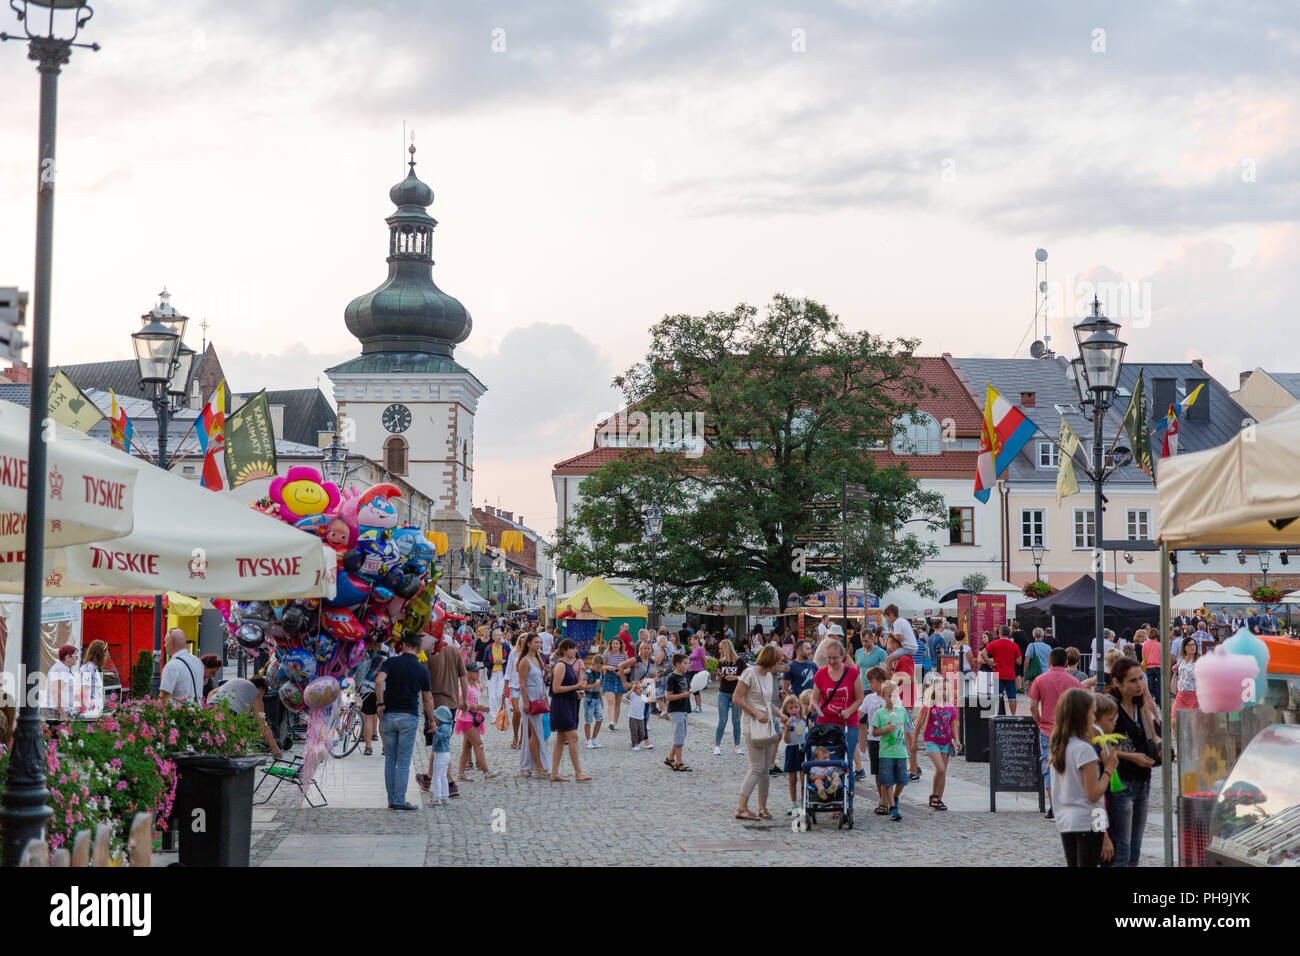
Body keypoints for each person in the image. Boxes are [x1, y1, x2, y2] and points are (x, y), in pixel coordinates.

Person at [1049, 687, 1119, 866]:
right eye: (1092, 713)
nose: (1093, 718)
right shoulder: (1083, 749)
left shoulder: (1060, 747)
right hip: (1086, 822)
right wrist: (1108, 770)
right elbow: (1094, 795)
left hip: (1066, 821)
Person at [1106, 658, 1158, 867]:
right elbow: (1099, 743)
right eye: (1133, 681)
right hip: (1121, 781)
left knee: (1135, 848)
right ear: (1117, 682)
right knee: (1123, 847)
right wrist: (1131, 756)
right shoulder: (1110, 705)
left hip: (1142, 781)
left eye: (1140, 679)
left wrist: (1161, 747)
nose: (1139, 685)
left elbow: (1152, 736)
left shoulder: (1140, 703)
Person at [375, 631, 435, 811]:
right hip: (408, 716)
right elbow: (428, 698)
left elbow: (379, 681)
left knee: (390, 759)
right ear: (417, 648)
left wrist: (380, 703)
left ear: (405, 645)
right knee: (403, 761)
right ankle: (399, 800)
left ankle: (392, 799)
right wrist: (431, 721)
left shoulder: (391, 663)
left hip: (389, 714)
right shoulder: (422, 669)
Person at [1028, 647, 1081, 820]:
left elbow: (1033, 706)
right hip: (1069, 729)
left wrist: (1040, 721)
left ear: (1050, 661)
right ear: (1066, 662)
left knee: (1048, 766)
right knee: (1068, 766)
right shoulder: (1073, 682)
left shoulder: (1040, 680)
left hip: (1047, 729)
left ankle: (1054, 806)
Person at [733, 644, 783, 819]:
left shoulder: (769, 676)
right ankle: (741, 807)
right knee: (756, 767)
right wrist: (755, 712)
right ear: (772, 660)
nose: (779, 664)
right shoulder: (749, 673)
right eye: (778, 661)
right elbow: (737, 698)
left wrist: (780, 714)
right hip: (752, 724)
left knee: (765, 770)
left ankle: (763, 807)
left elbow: (766, 701)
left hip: (766, 725)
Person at [425, 622, 469, 799]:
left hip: (434, 705)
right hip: (451, 704)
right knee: (440, 744)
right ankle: (428, 778)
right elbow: (463, 676)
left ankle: (450, 783)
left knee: (440, 745)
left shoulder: (428, 652)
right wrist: (464, 699)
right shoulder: (453, 650)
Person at [811, 638, 864, 769]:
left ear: (843, 656)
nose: (831, 661)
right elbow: (815, 697)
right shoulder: (821, 674)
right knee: (823, 757)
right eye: (828, 658)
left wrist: (849, 711)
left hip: (847, 722)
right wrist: (813, 706)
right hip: (825, 722)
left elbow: (859, 698)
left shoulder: (852, 673)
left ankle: (848, 787)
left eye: (834, 658)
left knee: (847, 758)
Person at [207, 676, 283, 758]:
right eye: (262, 695)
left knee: (211, 742)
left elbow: (211, 693)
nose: (261, 697)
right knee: (232, 750)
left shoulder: (235, 680)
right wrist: (276, 749)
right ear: (261, 688)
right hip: (229, 712)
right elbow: (262, 724)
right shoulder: (255, 694)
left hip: (211, 707)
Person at [548, 638, 592, 782]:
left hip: (568, 702)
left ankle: (554, 773)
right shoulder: (560, 665)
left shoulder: (568, 665)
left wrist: (576, 692)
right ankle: (578, 773)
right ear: (565, 649)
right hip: (561, 705)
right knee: (573, 736)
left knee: (561, 739)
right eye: (573, 648)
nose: (575, 651)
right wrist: (576, 687)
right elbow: (555, 688)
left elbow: (566, 687)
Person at [915, 675, 957, 811]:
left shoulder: (950, 707)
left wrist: (957, 739)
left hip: (945, 742)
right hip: (932, 741)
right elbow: (918, 724)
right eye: (940, 689)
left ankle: (939, 799)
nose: (943, 692)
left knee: (943, 772)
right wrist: (914, 742)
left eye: (945, 690)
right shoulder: (928, 706)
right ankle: (934, 795)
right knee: (940, 768)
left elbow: (953, 724)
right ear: (934, 691)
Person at [871, 680, 909, 821]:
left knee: (902, 780)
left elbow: (904, 729)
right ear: (882, 696)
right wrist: (885, 730)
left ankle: (895, 796)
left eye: (894, 696)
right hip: (886, 752)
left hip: (900, 751)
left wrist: (909, 747)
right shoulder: (879, 713)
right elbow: (874, 732)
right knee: (887, 781)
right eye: (888, 696)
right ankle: (893, 808)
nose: (892, 699)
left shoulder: (901, 711)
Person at [516, 632, 552, 777]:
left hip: (538, 696)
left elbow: (542, 679)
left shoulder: (538, 658)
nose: (538, 645)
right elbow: (522, 683)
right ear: (529, 644)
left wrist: (545, 695)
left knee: (537, 732)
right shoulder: (525, 661)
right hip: (529, 698)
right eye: (536, 642)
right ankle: (537, 765)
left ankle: (529, 765)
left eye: (539, 642)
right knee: (535, 733)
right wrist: (525, 701)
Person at [453, 662, 496, 780]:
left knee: (467, 747)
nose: (477, 673)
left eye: (478, 671)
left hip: (473, 718)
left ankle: (461, 773)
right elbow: (461, 704)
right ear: (469, 673)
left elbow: (474, 701)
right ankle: (486, 772)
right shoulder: (465, 686)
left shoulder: (476, 685)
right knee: (478, 744)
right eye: (475, 671)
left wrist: (482, 707)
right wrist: (478, 707)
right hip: (466, 718)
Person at [713, 639, 746, 755]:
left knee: (736, 720)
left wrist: (735, 677)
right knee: (722, 720)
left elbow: (746, 676)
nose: (720, 651)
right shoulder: (721, 662)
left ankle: (737, 745)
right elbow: (719, 676)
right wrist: (719, 677)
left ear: (727, 649)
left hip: (737, 693)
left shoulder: (740, 662)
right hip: (723, 692)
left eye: (721, 648)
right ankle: (717, 745)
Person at [980, 625, 1022, 715]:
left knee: (996, 696)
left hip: (997, 672)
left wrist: (989, 662)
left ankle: (996, 714)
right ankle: (1013, 715)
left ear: (1000, 633)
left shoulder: (995, 643)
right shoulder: (1014, 645)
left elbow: (983, 653)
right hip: (1010, 673)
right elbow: (1019, 661)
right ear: (1009, 633)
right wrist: (1011, 659)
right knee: (1012, 697)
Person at [664, 653, 694, 773]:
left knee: (682, 735)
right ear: (677, 664)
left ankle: (670, 758)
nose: (688, 665)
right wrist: (683, 695)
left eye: (688, 663)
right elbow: (669, 697)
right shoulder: (672, 678)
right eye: (685, 663)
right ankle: (678, 762)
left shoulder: (685, 675)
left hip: (684, 708)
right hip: (675, 710)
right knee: (679, 736)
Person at [158, 630, 205, 703]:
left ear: (171, 644)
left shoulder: (172, 666)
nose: (164, 645)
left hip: (180, 712)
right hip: (197, 711)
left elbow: (164, 696)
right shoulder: (198, 662)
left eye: (165, 642)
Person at [780, 694, 808, 815]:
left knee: (803, 778)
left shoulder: (803, 720)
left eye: (796, 707)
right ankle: (793, 803)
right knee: (792, 779)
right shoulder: (785, 722)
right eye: (791, 708)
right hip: (791, 749)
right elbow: (786, 740)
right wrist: (786, 726)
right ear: (786, 710)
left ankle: (802, 800)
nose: (794, 710)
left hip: (802, 749)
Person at [601, 636, 632, 731]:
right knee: (611, 701)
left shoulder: (624, 655)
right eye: (613, 643)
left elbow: (629, 668)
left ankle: (615, 722)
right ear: (611, 644)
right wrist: (609, 667)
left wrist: (622, 672)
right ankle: (611, 721)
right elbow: (599, 665)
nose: (615, 645)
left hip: (620, 678)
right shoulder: (607, 654)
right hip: (609, 678)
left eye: (617, 643)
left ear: (620, 645)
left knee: (618, 703)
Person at [78, 640, 111, 719]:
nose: (106, 654)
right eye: (105, 651)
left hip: (95, 713)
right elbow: (84, 691)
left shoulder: (94, 668)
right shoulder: (87, 668)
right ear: (98, 653)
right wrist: (85, 713)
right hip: (89, 714)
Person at [1170, 637, 1199, 725]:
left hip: (1194, 695)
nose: (1192, 647)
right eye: (1189, 645)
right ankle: (1179, 739)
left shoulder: (1199, 660)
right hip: (1181, 694)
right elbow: (1177, 668)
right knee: (1174, 721)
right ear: (1184, 647)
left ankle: (1191, 739)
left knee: (1193, 724)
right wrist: (1174, 668)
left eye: (1194, 645)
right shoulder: (1181, 659)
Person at [506, 632, 526, 749]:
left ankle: (523, 738)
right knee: (517, 711)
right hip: (515, 685)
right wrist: (505, 689)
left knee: (525, 713)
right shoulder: (513, 654)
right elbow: (508, 671)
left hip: (527, 686)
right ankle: (515, 735)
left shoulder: (531, 655)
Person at [581, 651, 605, 748]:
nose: (599, 669)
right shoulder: (587, 672)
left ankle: (594, 737)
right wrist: (593, 685)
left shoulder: (598, 673)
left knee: (600, 719)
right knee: (588, 720)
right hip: (588, 699)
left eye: (600, 667)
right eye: (598, 667)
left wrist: (601, 700)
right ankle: (588, 740)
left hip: (596, 699)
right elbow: (583, 686)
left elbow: (599, 687)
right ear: (593, 664)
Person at [47, 645, 77, 721]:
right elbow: (55, 692)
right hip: (56, 713)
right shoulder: (61, 669)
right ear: (67, 658)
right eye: (75, 656)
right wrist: (62, 713)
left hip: (60, 711)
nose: (76, 658)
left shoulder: (63, 669)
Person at [484, 628, 510, 716]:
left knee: (500, 694)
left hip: (502, 673)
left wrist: (504, 661)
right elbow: (485, 662)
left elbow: (510, 658)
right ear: (493, 637)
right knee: (492, 695)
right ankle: (494, 714)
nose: (499, 637)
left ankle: (502, 711)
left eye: (501, 635)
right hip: (492, 674)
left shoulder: (505, 646)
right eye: (497, 635)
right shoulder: (489, 647)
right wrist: (493, 662)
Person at [625, 680, 651, 750]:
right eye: (638, 688)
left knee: (642, 733)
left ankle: (637, 742)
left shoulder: (642, 696)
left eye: (641, 687)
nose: (641, 689)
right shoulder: (632, 695)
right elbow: (627, 696)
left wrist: (650, 695)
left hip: (641, 718)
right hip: (633, 717)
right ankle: (634, 745)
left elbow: (647, 701)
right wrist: (632, 689)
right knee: (634, 732)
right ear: (634, 690)